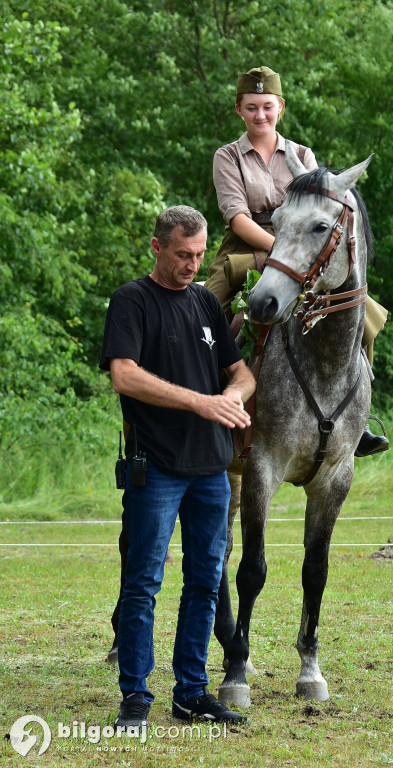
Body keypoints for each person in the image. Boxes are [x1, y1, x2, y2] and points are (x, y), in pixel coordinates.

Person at [99, 205, 255, 727]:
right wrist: (201, 401)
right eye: (183, 254)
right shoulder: (131, 301)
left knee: (206, 579)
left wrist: (231, 394)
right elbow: (124, 375)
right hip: (157, 467)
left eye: (200, 254)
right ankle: (136, 696)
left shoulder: (208, 303)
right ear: (157, 247)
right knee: (143, 582)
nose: (193, 264)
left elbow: (242, 374)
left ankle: (191, 692)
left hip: (212, 468)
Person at [205, 66, 389, 457]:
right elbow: (237, 216)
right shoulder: (228, 156)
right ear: (239, 109)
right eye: (251, 107)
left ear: (280, 108)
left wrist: (296, 251)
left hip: (301, 251)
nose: (260, 115)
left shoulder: (302, 155)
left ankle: (361, 417)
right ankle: (205, 404)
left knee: (363, 311)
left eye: (267, 107)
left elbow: (319, 210)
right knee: (203, 312)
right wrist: (283, 248)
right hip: (244, 249)